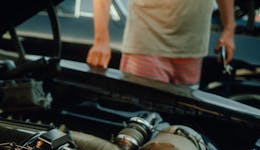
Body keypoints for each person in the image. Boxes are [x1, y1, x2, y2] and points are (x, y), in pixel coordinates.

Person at [86, 0, 236, 86]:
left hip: (192, 51)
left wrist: (229, 28)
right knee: (141, 123)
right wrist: (101, 40)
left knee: (182, 128)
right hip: (146, 47)